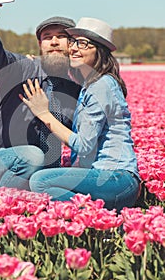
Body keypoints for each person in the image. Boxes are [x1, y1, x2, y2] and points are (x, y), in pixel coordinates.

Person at [21, 17, 141, 211]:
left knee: (41, 181)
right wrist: (37, 63)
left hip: (115, 177)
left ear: (100, 51)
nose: (75, 48)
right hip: (107, 178)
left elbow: (84, 145)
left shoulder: (101, 85)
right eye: (74, 42)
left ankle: (99, 219)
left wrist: (44, 113)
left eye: (84, 43)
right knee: (47, 177)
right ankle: (101, 216)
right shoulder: (90, 85)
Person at [0, 0, 81, 190]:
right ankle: (4, 201)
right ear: (40, 45)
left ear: (72, 44)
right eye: (47, 37)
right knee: (33, 155)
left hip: (36, 173)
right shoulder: (21, 70)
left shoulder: (73, 92)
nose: (54, 41)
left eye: (61, 36)